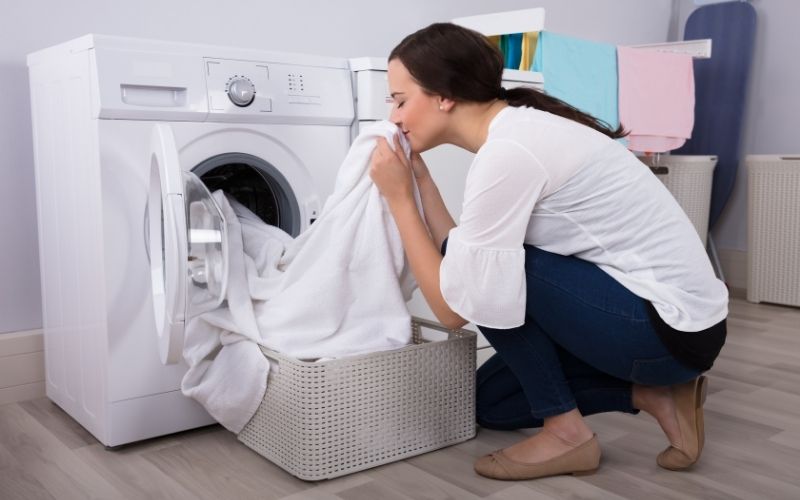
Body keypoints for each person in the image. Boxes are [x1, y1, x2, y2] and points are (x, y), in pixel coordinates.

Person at [368, 23, 728, 481]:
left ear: (443, 96)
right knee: (489, 403)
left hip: (666, 329)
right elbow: (461, 254)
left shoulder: (510, 152)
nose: (395, 117)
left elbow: (454, 305)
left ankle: (566, 434)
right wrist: (420, 181)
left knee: (490, 275)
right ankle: (656, 396)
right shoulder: (517, 131)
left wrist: (399, 200)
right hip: (663, 324)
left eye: (400, 100)